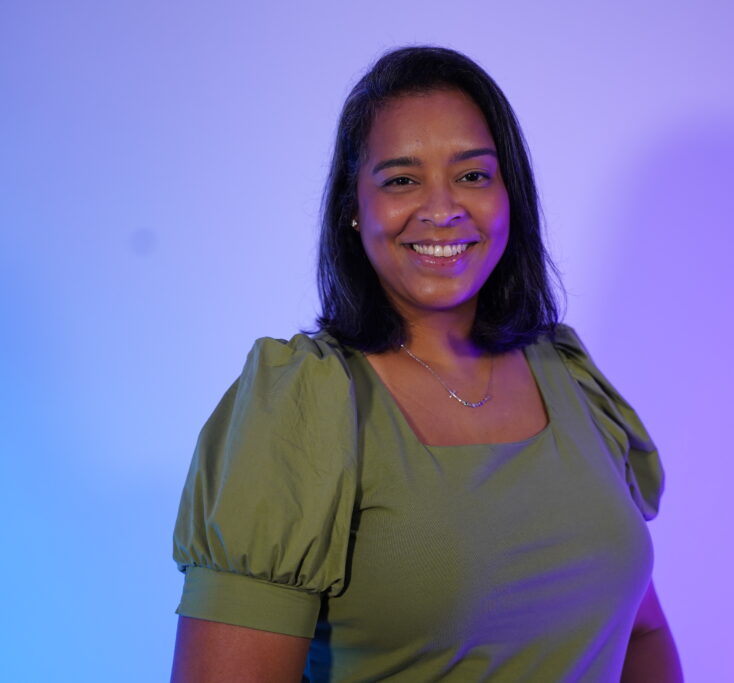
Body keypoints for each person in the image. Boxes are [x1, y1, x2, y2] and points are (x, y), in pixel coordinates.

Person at [170, 46, 682, 682]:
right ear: (353, 206)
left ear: (509, 194)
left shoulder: (567, 375)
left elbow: (641, 630)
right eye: (401, 180)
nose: (442, 209)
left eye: (472, 175)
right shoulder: (302, 408)